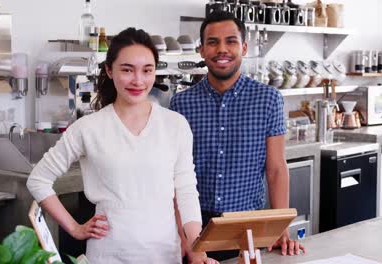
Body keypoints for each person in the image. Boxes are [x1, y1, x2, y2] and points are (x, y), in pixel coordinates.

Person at [27, 27, 210, 264]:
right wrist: (74, 228)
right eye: (127, 69)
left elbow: (185, 191)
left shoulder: (175, 124)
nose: (138, 80)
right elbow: (38, 180)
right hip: (108, 255)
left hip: (164, 254)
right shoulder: (89, 128)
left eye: (147, 70)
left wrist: (197, 249)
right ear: (109, 71)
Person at [170, 11, 306, 261]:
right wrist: (183, 237)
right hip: (194, 227)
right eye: (213, 42)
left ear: (244, 47)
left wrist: (280, 226)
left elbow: (276, 168)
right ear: (201, 50)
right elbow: (173, 177)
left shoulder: (268, 100)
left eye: (231, 41)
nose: (222, 49)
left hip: (247, 227)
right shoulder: (181, 103)